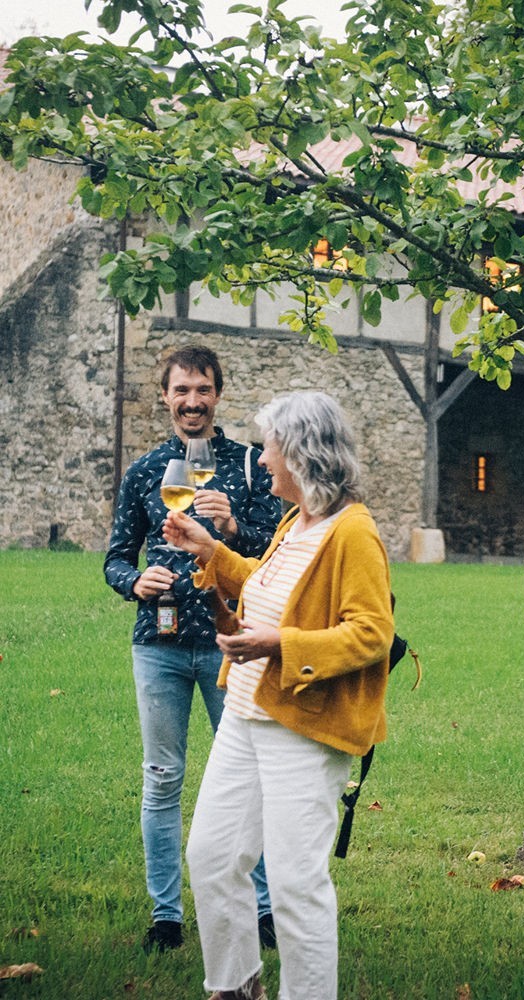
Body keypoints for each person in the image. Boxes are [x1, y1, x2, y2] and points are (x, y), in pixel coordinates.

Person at [162, 390, 394, 1000]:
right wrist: (212, 552)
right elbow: (269, 592)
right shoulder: (298, 522)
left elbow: (372, 633)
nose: (261, 461)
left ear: (301, 453)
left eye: (269, 448)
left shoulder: (353, 532)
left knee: (294, 884)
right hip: (245, 715)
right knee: (212, 858)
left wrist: (278, 647)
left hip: (304, 726)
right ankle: (236, 987)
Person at [104, 346, 282, 954]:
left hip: (232, 643)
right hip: (159, 642)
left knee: (247, 778)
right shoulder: (145, 471)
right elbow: (116, 556)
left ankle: (261, 910)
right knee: (161, 778)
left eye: (202, 390)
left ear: (217, 395)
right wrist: (133, 581)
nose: (192, 402)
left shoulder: (255, 466)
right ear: (166, 398)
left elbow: (274, 554)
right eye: (181, 391)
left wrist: (233, 529)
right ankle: (166, 916)